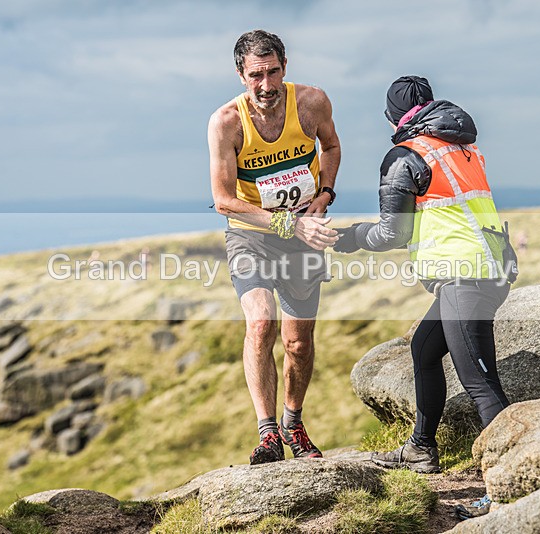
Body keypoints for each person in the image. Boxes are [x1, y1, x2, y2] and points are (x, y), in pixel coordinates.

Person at [333, 76, 511, 511]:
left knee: (481, 384)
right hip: (489, 267)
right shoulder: (461, 147)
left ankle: (507, 486)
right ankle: (420, 448)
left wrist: (350, 237)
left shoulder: (406, 156)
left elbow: (393, 233)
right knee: (424, 350)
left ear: (393, 117)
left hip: (464, 276)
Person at [208, 30, 341, 464]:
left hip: (304, 235)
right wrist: (289, 224)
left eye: (273, 72)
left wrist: (325, 194)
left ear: (285, 66)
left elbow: (331, 145)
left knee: (298, 342)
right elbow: (223, 200)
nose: (265, 85)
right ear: (240, 75)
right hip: (251, 234)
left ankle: (292, 423)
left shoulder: (312, 102)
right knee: (261, 322)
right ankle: (267, 434)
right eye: (255, 76)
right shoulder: (226, 121)